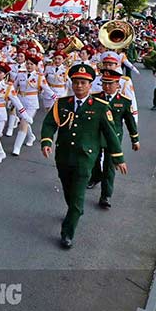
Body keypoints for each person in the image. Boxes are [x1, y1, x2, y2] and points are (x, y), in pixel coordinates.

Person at [40, 64, 127, 249]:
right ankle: (74, 210)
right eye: (76, 82)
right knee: (68, 190)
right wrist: (46, 141)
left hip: (85, 159)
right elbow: (49, 124)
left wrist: (118, 158)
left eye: (83, 83)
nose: (79, 86)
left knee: (78, 196)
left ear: (90, 85)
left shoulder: (100, 107)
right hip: (63, 156)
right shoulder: (62, 104)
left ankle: (67, 232)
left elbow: (111, 134)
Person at [89, 69, 139, 208]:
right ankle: (95, 176)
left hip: (113, 138)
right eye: (104, 83)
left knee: (109, 167)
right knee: (93, 159)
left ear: (118, 84)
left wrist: (135, 139)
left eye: (110, 84)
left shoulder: (124, 101)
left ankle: (106, 196)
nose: (106, 87)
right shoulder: (95, 97)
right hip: (96, 135)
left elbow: (130, 122)